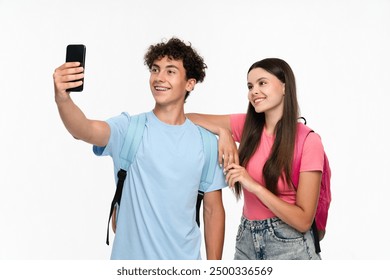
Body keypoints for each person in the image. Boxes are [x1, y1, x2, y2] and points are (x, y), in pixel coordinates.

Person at [53, 37, 226, 260]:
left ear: (190, 83)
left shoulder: (207, 143)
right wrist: (63, 99)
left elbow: (212, 211)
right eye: (155, 69)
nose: (159, 78)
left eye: (170, 71)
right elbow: (84, 129)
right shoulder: (128, 129)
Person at [187, 58, 324, 260]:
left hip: (289, 243)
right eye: (250, 86)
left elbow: (304, 220)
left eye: (262, 83)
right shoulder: (247, 126)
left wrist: (254, 186)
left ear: (285, 86)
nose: (254, 91)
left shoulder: (309, 141)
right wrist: (223, 132)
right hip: (247, 239)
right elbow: (188, 118)